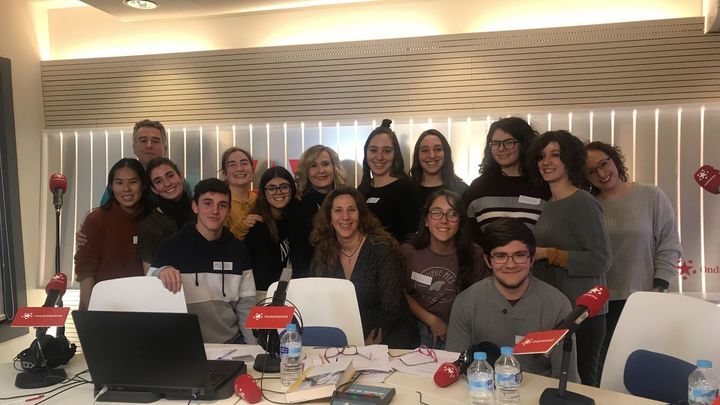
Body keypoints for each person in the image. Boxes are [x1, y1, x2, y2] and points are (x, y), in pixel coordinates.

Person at [584, 141, 681, 376]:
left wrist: (660, 287)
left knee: (643, 370)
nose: (601, 173)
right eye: (591, 171)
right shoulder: (588, 205)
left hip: (644, 298)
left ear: (615, 160)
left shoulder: (650, 194)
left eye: (604, 164)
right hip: (602, 304)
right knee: (604, 371)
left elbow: (669, 244)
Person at [445, 218, 580, 382]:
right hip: (480, 392)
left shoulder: (557, 304)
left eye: (519, 255)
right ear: (488, 261)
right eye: (500, 256)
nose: (510, 265)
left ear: (532, 259)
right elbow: (455, 370)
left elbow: (567, 379)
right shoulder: (466, 302)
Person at [527, 130, 611, 387]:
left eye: (555, 155)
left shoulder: (582, 202)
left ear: (570, 160)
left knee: (582, 386)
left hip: (583, 315)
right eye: (541, 156)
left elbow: (601, 259)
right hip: (557, 311)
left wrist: (549, 254)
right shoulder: (550, 205)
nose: (546, 162)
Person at [148, 178, 256, 344]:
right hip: (184, 345)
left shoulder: (239, 250)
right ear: (195, 206)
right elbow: (148, 287)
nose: (215, 211)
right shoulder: (171, 246)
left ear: (229, 211)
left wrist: (254, 350)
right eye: (207, 203)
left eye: (222, 205)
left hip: (231, 343)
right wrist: (161, 271)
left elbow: (246, 307)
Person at [310, 187, 419, 349]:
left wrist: (365, 344)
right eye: (338, 210)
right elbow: (323, 303)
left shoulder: (381, 248)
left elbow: (392, 307)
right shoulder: (324, 252)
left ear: (360, 214)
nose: (345, 217)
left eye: (351, 210)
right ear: (329, 218)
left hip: (390, 339)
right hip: (348, 341)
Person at [401, 190, 488, 349]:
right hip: (416, 324)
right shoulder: (408, 252)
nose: (444, 220)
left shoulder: (475, 254)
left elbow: (479, 300)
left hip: (458, 326)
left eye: (452, 214)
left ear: (460, 222)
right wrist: (433, 321)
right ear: (426, 220)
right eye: (436, 213)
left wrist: (454, 329)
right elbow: (400, 293)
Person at [74, 158, 154, 310]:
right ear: (111, 186)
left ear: (143, 185)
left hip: (142, 306)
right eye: (119, 183)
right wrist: (93, 311)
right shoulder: (96, 219)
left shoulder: (154, 220)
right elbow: (85, 270)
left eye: (133, 182)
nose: (126, 189)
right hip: (101, 306)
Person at [463, 117, 550, 244]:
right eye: (495, 143)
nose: (501, 148)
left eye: (509, 142)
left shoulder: (542, 186)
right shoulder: (478, 188)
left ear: (524, 144)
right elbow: (468, 238)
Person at [287, 145, 348, 278]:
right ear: (306, 171)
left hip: (348, 275)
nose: (321, 170)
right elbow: (299, 256)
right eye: (313, 165)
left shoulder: (348, 199)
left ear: (334, 167)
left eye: (325, 164)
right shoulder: (297, 206)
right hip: (313, 279)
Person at [358, 119, 420, 242]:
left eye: (386, 151)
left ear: (395, 154)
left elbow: (411, 236)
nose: (379, 157)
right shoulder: (362, 189)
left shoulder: (407, 188)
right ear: (366, 152)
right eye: (373, 150)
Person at [136, 157, 195, 272]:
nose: (167, 183)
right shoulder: (149, 226)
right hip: (169, 283)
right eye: (158, 181)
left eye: (170, 176)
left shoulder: (203, 209)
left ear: (181, 176)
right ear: (154, 189)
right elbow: (150, 274)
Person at [243, 166, 296, 291]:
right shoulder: (258, 226)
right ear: (264, 192)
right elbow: (262, 278)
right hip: (267, 295)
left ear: (292, 189)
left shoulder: (295, 219)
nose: (278, 192)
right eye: (271, 188)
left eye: (284, 186)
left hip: (294, 291)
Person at [409, 129, 468, 210]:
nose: (432, 155)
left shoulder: (462, 190)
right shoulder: (406, 190)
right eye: (425, 150)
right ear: (417, 155)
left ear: (446, 153)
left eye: (438, 149)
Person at [220, 147, 258, 240]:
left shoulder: (259, 199)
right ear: (224, 174)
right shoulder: (219, 203)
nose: (239, 169)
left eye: (244, 163)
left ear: (252, 170)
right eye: (232, 164)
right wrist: (242, 226)